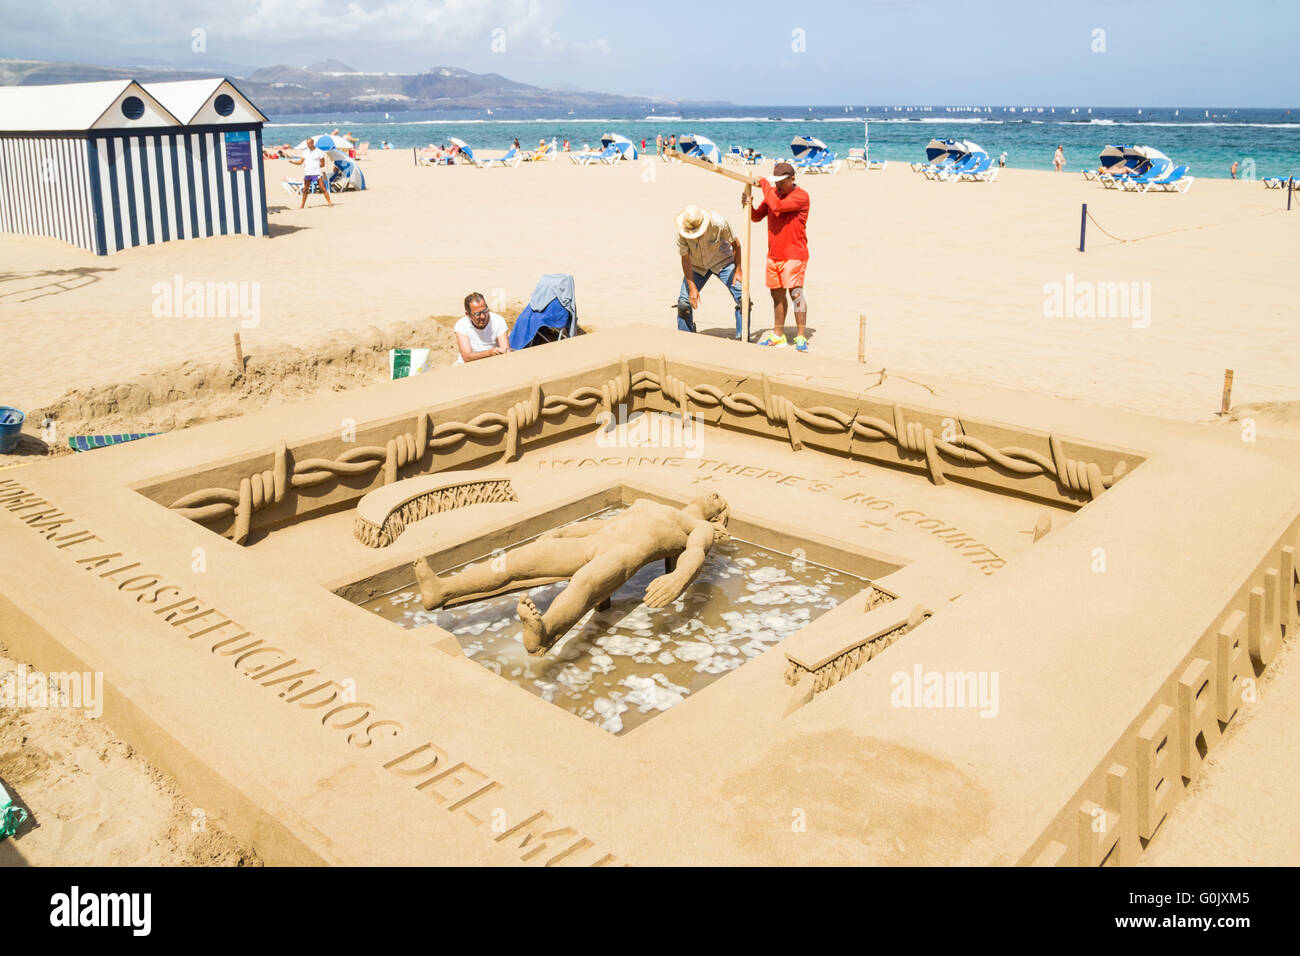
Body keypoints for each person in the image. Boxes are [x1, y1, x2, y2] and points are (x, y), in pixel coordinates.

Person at [412, 493, 731, 655]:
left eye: (718, 499)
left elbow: (695, 553)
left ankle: (542, 631)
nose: (713, 494)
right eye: (713, 492)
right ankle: (442, 590)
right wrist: (567, 532)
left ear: (716, 515)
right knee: (523, 559)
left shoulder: (698, 526)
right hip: (591, 542)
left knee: (586, 583)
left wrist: (677, 579)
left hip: (622, 555)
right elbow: (605, 524)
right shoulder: (647, 504)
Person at [750, 162, 810, 350]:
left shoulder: (801, 196)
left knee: (796, 294)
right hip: (773, 254)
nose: (777, 186)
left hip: (794, 254)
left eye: (781, 183)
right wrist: (748, 204)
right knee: (776, 296)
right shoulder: (772, 194)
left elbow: (777, 207)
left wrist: (765, 184)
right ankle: (778, 335)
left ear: (792, 179)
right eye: (775, 182)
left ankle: (801, 336)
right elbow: (757, 216)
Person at [674, 205, 745, 339]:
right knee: (683, 304)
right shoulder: (680, 231)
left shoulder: (719, 223)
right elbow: (685, 259)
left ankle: (742, 337)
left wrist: (738, 270)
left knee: (743, 298)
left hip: (722, 261)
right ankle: (685, 337)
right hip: (696, 266)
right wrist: (692, 287)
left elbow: (736, 244)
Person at [453, 292, 510, 364]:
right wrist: (490, 353)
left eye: (485, 311)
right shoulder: (461, 325)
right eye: (477, 314)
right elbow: (466, 357)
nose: (483, 316)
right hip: (467, 364)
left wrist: (502, 352)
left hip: (495, 361)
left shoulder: (498, 320)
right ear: (468, 314)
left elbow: (505, 351)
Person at [286, 137, 333, 208]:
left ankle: (329, 203)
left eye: (309, 143)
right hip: (307, 173)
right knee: (305, 190)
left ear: (313, 143)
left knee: (323, 188)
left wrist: (315, 166)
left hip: (316, 173)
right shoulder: (305, 152)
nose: (308, 145)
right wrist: (292, 162)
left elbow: (323, 164)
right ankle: (302, 205)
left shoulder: (319, 151)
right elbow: (300, 162)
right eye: (307, 144)